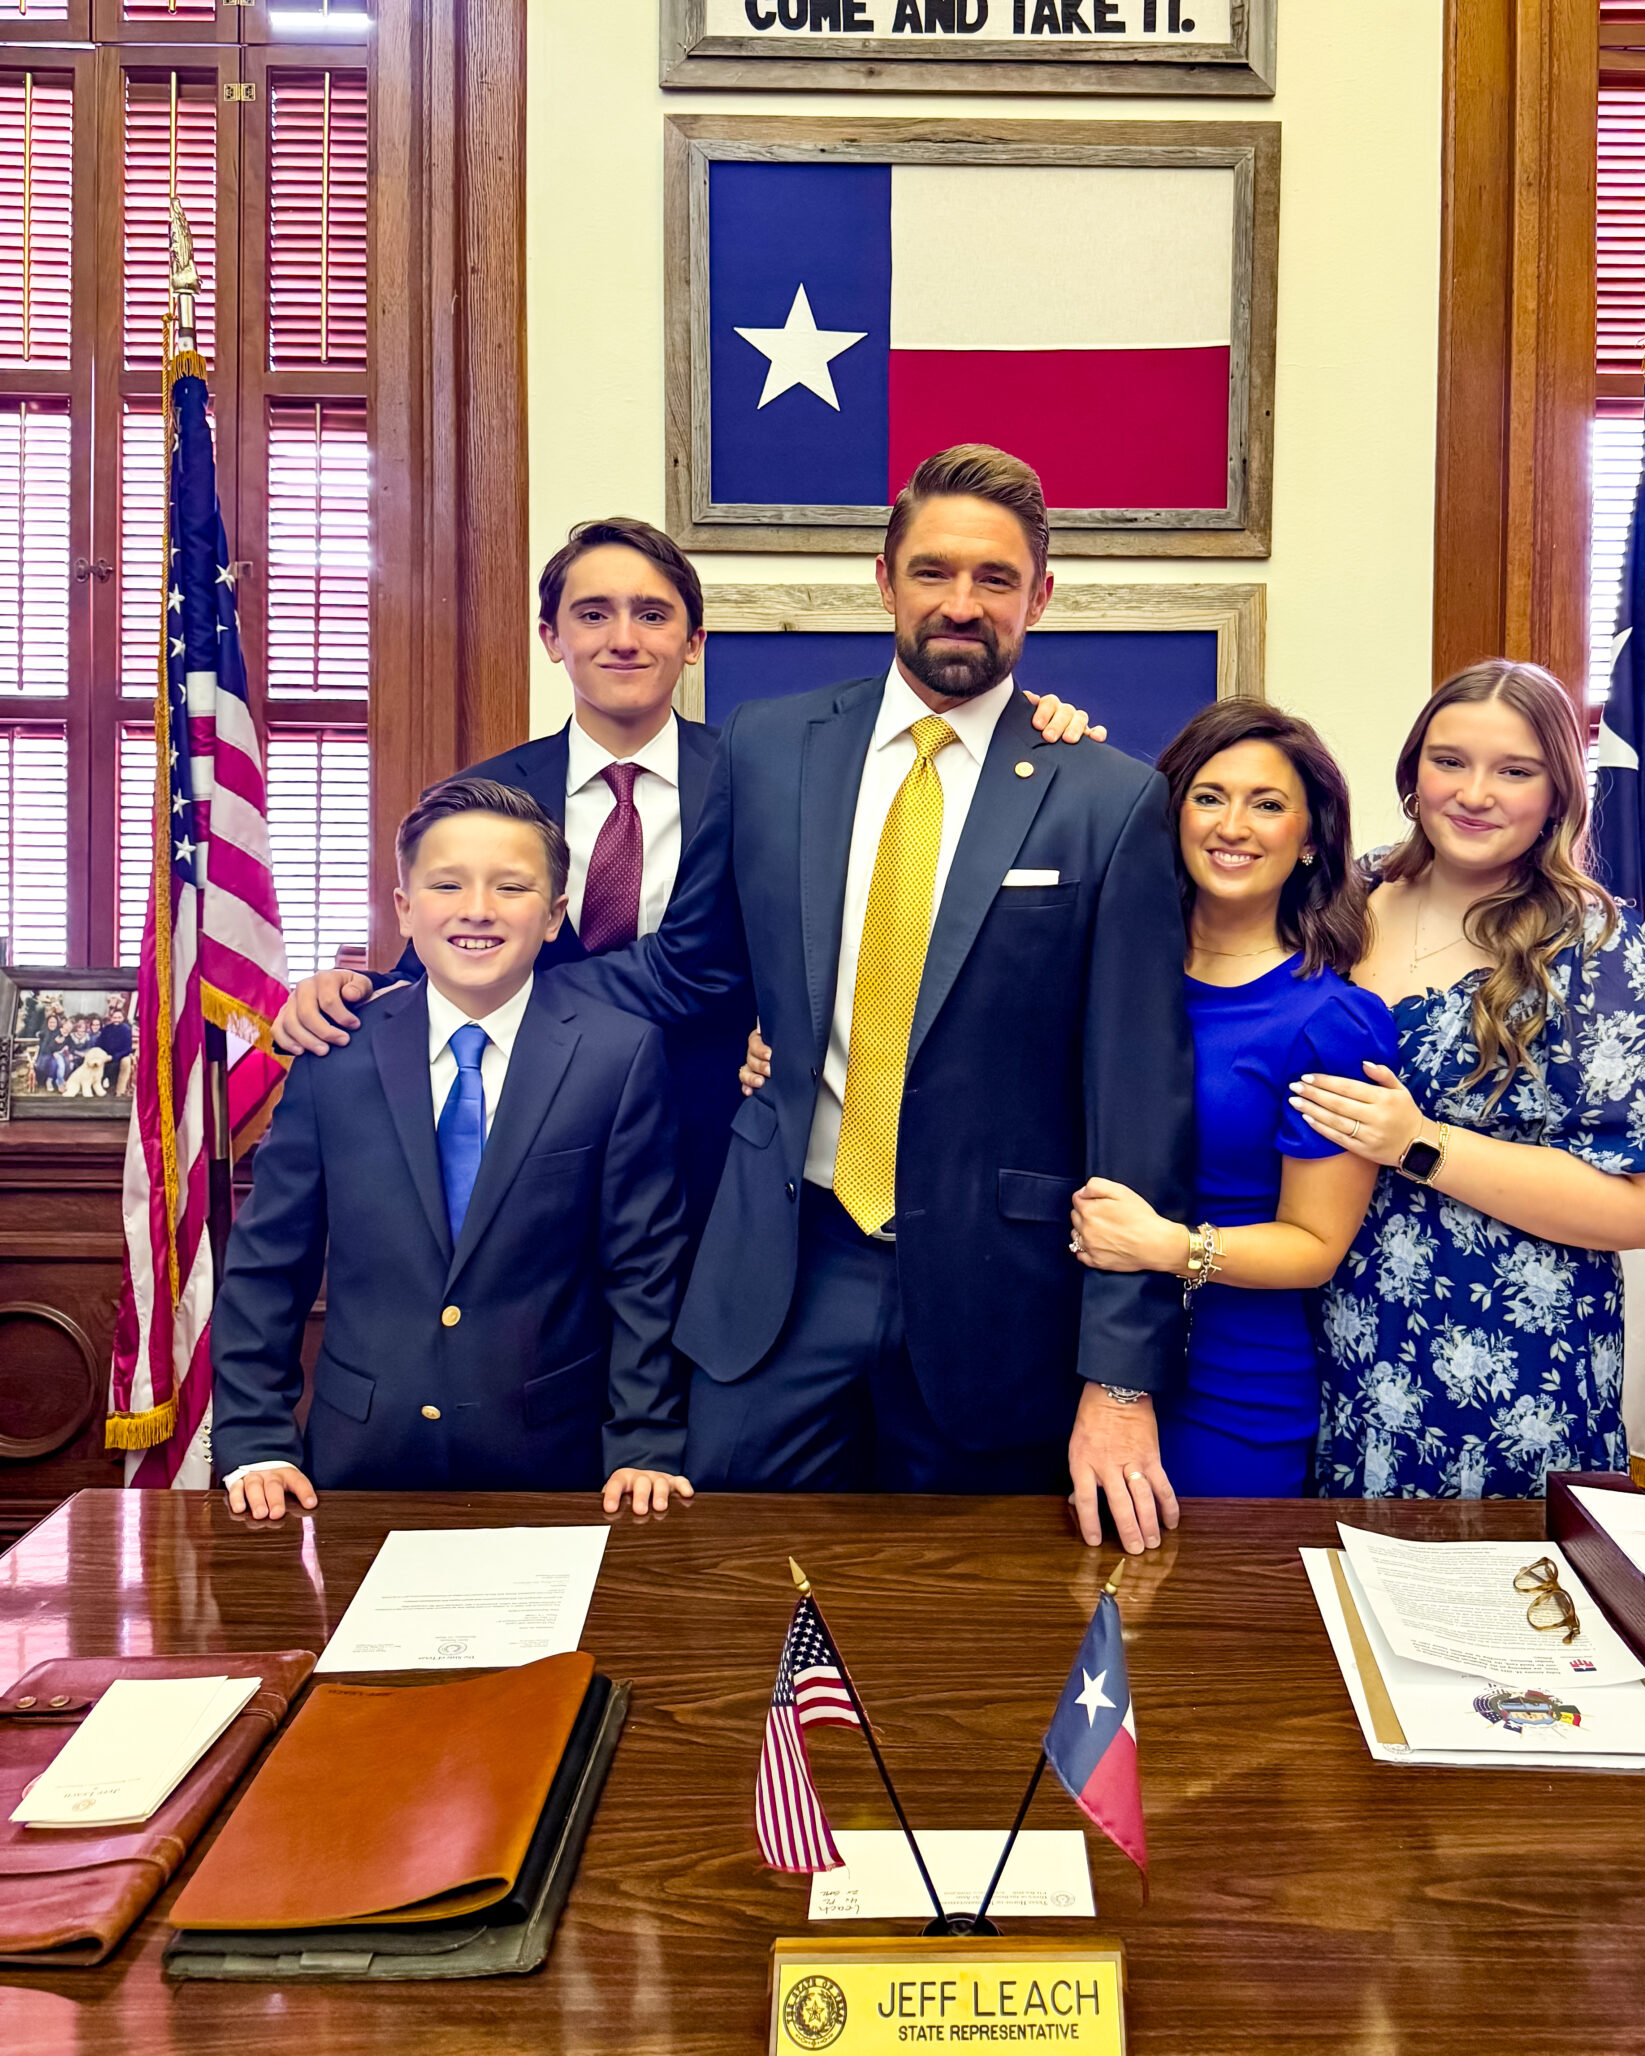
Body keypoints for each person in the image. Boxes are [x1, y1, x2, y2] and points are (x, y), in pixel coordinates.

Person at [282, 445, 1195, 1548]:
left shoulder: (1106, 795)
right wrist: (407, 990)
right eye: (935, 572)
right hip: (779, 1266)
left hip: (998, 1301)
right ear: (884, 578)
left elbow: (1137, 1106)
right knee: (719, 1585)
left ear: (1040, 595)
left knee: (979, 1624)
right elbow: (689, 964)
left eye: (996, 579)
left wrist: (1121, 1381)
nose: (962, 603)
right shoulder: (772, 750)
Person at [276, 516, 1099, 1231]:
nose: (622, 638)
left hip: (716, 1151)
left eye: (653, 615)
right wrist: (352, 990)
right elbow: (448, 968)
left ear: (694, 641)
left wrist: (1030, 729)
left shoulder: (771, 773)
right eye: (592, 614)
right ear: (552, 637)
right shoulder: (476, 799)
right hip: (523, 1152)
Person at [214, 777, 693, 1519]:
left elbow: (643, 1272)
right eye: (446, 884)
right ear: (404, 908)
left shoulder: (617, 1054)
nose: (477, 909)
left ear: (555, 914)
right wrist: (256, 1439)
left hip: (553, 1463)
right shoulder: (335, 1054)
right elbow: (269, 1263)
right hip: (357, 1460)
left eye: (511, 886)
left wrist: (643, 1440)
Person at [1291, 659, 1645, 1499]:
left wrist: (1422, 1144)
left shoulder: (1600, 949)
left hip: (1510, 1367)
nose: (1474, 793)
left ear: (1558, 792)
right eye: (1450, 761)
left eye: (1514, 771)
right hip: (1318, 1334)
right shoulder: (1338, 894)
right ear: (1412, 772)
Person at [1059, 702, 1397, 1495]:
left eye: (1269, 804)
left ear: (1311, 840)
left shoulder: (1332, 1022)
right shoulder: (1094, 975)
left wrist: (1170, 1247)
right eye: (1209, 796)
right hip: (1062, 1362)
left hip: (1230, 1389)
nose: (1233, 825)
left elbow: (1315, 1244)